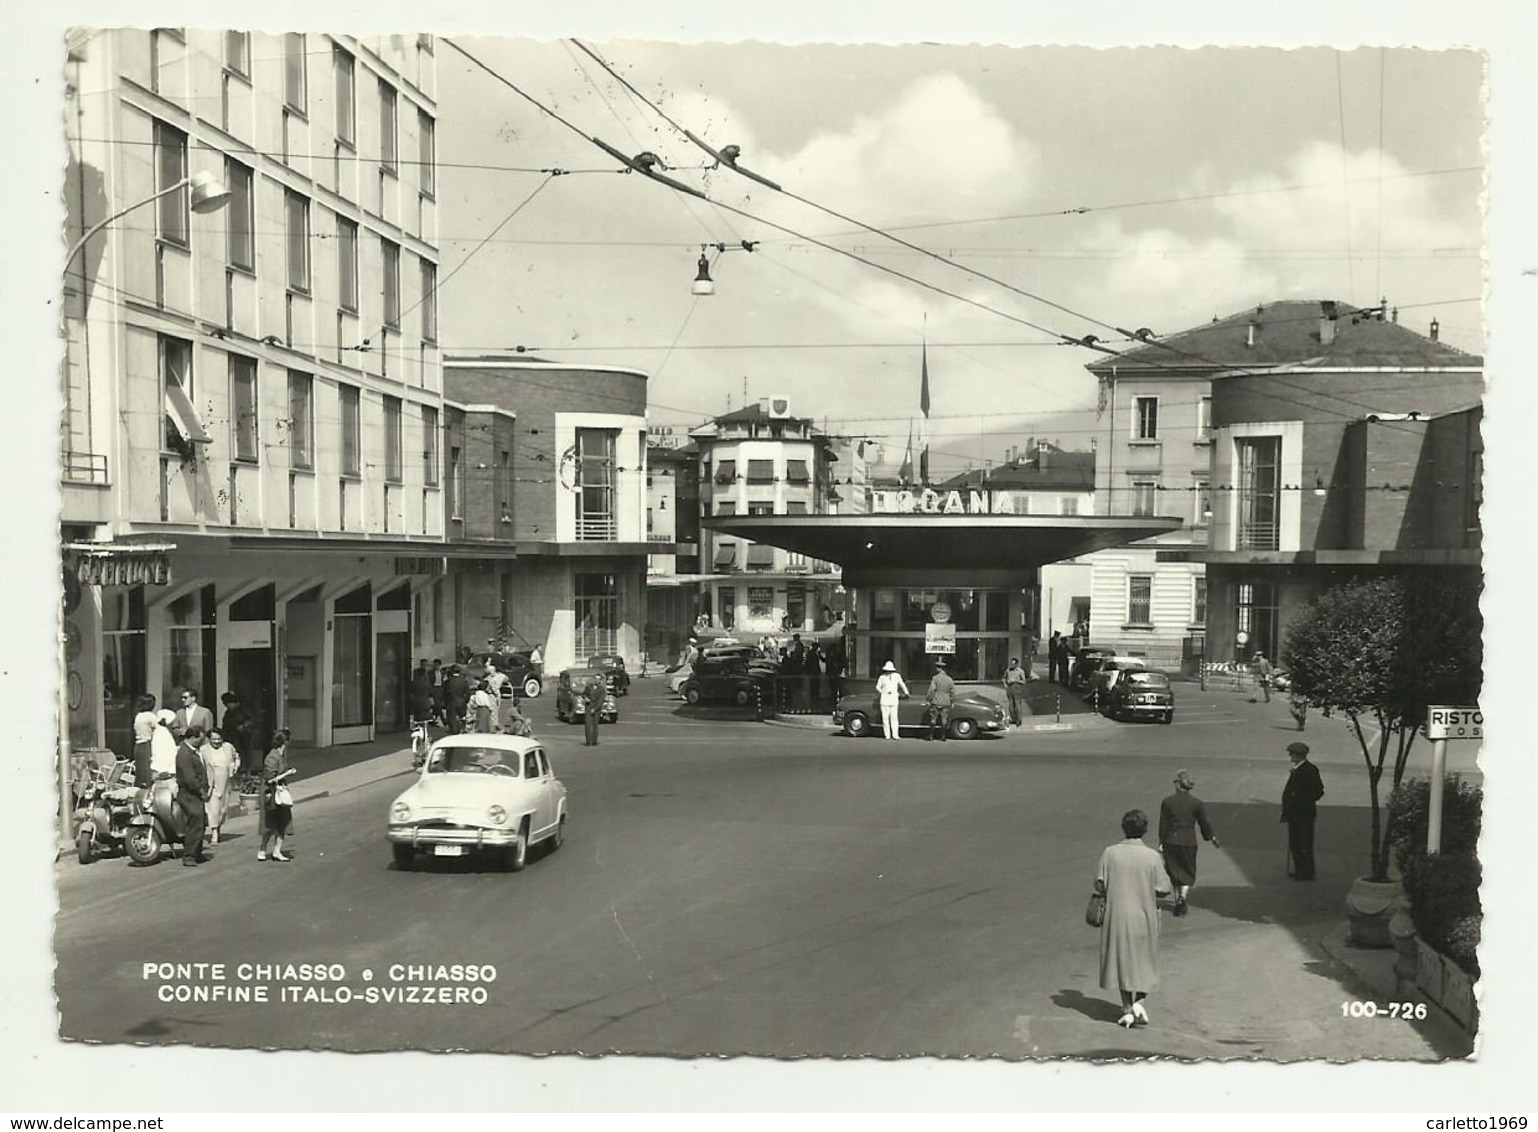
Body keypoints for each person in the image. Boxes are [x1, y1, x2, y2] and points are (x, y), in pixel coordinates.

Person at [1095, 808, 1172, 1028]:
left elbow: (1100, 883)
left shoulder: (1109, 852)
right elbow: (1164, 888)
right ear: (1144, 830)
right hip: (1144, 914)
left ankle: (1127, 1009)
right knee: (1146, 960)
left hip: (1117, 916)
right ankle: (1141, 1000)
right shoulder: (1152, 856)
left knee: (1122, 961)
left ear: (1124, 828)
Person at [1158, 770, 1219, 916]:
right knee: (1187, 870)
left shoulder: (1167, 801)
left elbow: (1163, 824)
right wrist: (1211, 837)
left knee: (1174, 870)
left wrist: (1161, 841)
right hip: (1189, 841)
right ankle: (1182, 898)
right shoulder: (1196, 803)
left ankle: (1177, 897)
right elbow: (1203, 823)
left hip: (1171, 840)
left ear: (1179, 784)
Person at [1281, 741, 1325, 880]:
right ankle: (1300, 869)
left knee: (1304, 842)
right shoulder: (1298, 769)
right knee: (1296, 842)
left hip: (1303, 814)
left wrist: (1303, 801)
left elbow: (1318, 791)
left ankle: (1306, 872)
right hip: (1295, 814)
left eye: (1292, 753)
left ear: (1299, 755)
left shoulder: (1309, 770)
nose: (1290, 755)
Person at [174, 724, 210, 867]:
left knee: (200, 823)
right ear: (193, 737)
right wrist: (201, 791)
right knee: (194, 823)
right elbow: (189, 778)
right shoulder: (184, 754)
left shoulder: (193, 752)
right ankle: (189, 855)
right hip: (189, 794)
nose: (202, 742)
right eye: (200, 739)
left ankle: (197, 852)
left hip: (194, 794)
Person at [199, 728, 240, 846]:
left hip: (225, 781)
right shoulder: (204, 750)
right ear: (209, 739)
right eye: (214, 739)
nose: (216, 741)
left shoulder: (228, 747)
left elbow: (236, 757)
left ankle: (218, 827)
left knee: (222, 808)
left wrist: (235, 766)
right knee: (213, 807)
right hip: (211, 781)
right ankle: (214, 832)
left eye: (219, 739)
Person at [259, 729, 295, 862]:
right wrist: (288, 773)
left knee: (283, 821)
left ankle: (277, 851)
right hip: (271, 793)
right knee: (270, 823)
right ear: (285, 742)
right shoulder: (272, 757)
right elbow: (269, 779)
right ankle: (262, 849)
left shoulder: (281, 754)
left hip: (281, 791)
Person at [875, 660, 909, 741]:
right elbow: (877, 687)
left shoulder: (897, 676)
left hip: (894, 698)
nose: (888, 672)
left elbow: (902, 684)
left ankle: (895, 734)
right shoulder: (882, 677)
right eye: (887, 670)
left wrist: (906, 692)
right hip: (884, 699)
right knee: (885, 718)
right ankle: (887, 735)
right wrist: (882, 692)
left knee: (894, 718)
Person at [925, 659, 956, 741]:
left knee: (933, 718)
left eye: (937, 667)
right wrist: (952, 701)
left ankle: (931, 735)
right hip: (946, 701)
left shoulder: (935, 678)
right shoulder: (949, 679)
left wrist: (928, 698)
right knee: (944, 719)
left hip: (936, 700)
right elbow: (952, 691)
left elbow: (932, 690)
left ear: (939, 669)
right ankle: (943, 736)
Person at [131, 693, 158, 787]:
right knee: (147, 772)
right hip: (146, 744)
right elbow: (158, 728)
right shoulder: (150, 716)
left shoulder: (138, 715)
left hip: (138, 745)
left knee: (140, 772)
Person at [150, 709, 179, 779]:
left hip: (164, 766)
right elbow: (163, 751)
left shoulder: (161, 731)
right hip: (163, 767)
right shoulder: (162, 732)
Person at [443, 665, 471, 734]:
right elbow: (468, 693)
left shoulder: (449, 681)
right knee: (463, 717)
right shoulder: (464, 681)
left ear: (452, 671)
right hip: (462, 702)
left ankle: (455, 731)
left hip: (451, 702)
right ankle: (463, 729)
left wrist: (445, 702)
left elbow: (444, 693)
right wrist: (465, 700)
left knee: (453, 718)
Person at [1003, 657, 1029, 727]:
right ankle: (1013, 718)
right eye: (1011, 663)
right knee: (1011, 705)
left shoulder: (1020, 671)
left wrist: (1015, 680)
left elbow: (1024, 681)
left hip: (1017, 688)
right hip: (1009, 688)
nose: (1012, 665)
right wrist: (1005, 684)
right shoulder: (1008, 670)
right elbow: (1004, 678)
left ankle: (1018, 720)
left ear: (1016, 664)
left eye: (1013, 664)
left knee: (1017, 704)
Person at [582, 673, 604, 747]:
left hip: (596, 708)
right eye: (595, 678)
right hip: (588, 706)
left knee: (595, 725)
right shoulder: (589, 687)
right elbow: (584, 694)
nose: (596, 680)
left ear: (600, 680)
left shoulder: (602, 689)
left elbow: (600, 700)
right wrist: (585, 698)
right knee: (588, 725)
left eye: (598, 679)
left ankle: (594, 741)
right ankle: (588, 741)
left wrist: (595, 709)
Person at [410, 660, 434, 726]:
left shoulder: (415, 683)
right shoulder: (426, 683)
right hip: (425, 702)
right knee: (425, 717)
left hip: (417, 701)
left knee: (418, 716)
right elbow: (430, 691)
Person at [429, 659, 445, 725]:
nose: (436, 666)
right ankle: (442, 718)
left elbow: (443, 680)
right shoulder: (430, 672)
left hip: (440, 688)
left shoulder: (442, 672)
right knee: (437, 705)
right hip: (434, 688)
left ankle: (434, 717)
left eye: (437, 665)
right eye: (435, 665)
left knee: (438, 705)